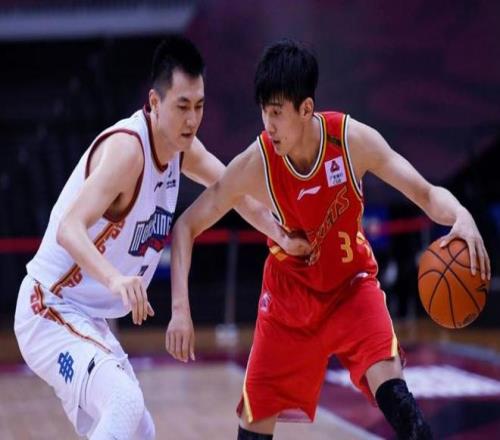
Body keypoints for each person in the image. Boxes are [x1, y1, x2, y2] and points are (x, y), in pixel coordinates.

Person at [169, 39, 491, 440]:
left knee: (400, 403)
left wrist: (462, 215)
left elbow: (425, 194)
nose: (268, 125)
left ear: (306, 109)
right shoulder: (257, 162)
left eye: (277, 112)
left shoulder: (351, 141)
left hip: (351, 289)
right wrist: (180, 310)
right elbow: (186, 226)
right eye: (263, 111)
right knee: (253, 428)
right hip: (288, 301)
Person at [14, 36, 309, 440]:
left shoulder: (183, 151)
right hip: (47, 307)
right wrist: (115, 279)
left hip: (85, 317)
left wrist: (282, 235)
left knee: (140, 430)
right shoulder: (128, 152)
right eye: (182, 106)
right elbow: (69, 228)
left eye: (199, 106)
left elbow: (235, 192)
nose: (192, 119)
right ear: (154, 102)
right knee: (124, 402)